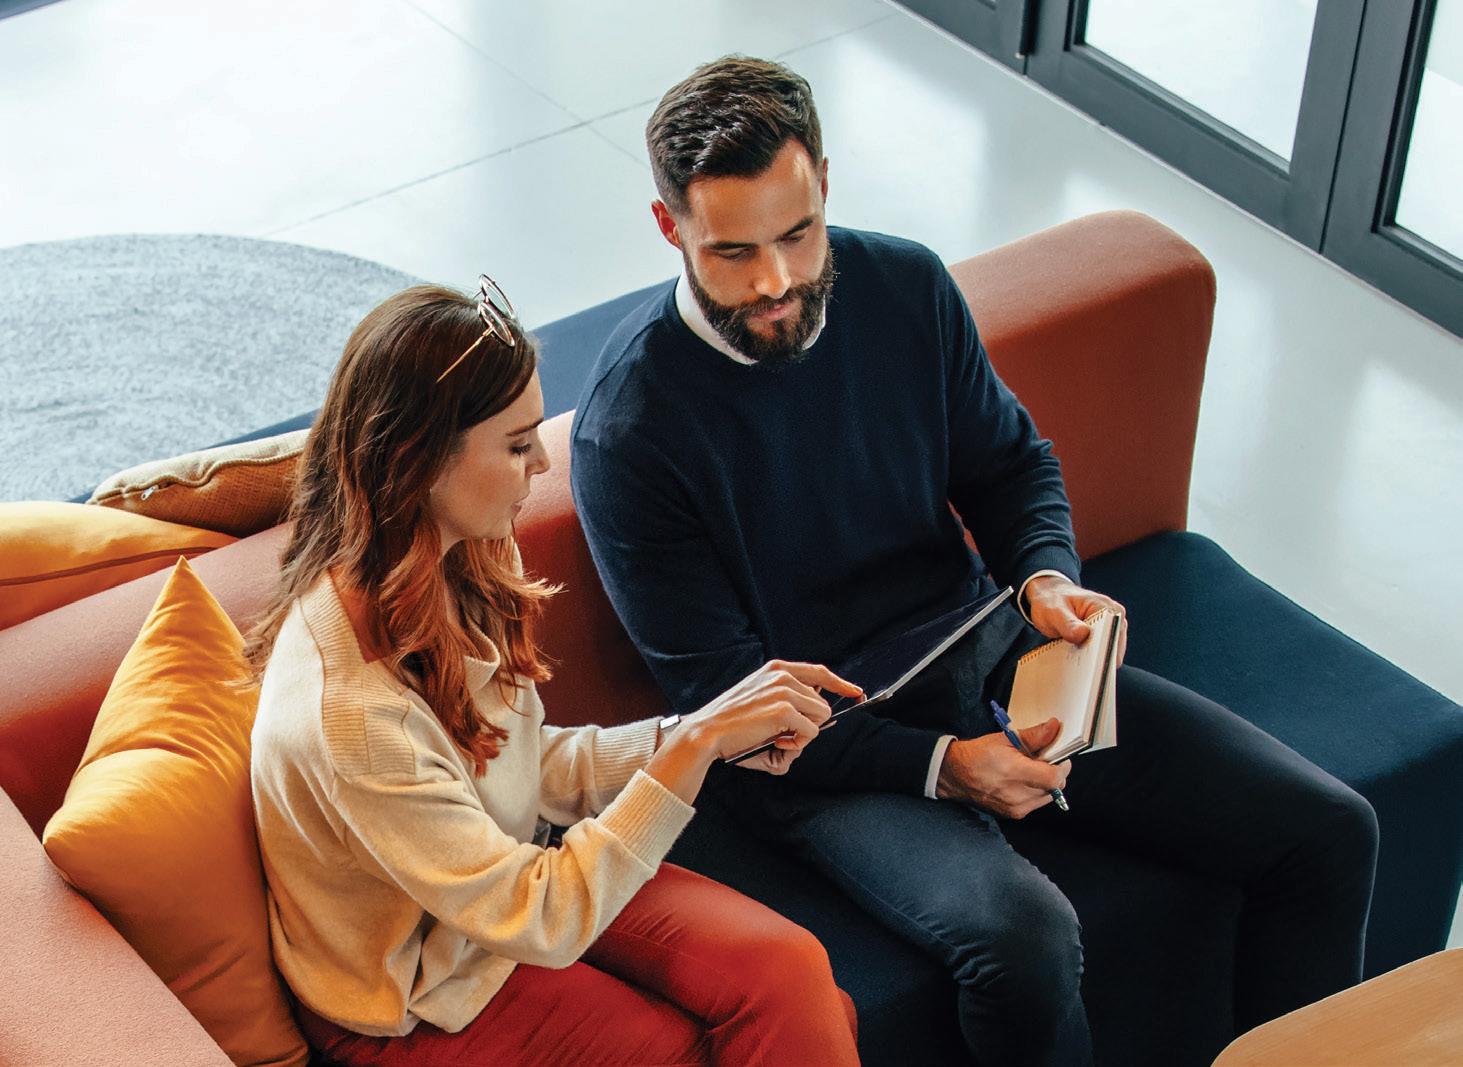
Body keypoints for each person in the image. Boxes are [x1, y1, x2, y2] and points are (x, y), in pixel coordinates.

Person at [570, 56, 1381, 1065]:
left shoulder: (904, 285)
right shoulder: (630, 431)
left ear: (825, 183)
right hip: (811, 754)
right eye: (733, 252)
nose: (775, 282)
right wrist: (945, 769)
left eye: (797, 234)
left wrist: (1044, 575)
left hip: (983, 657)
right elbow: (725, 703)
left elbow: (1009, 463)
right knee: (1021, 941)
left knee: (1326, 829)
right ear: (669, 227)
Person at [245, 278, 863, 1066]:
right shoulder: (355, 718)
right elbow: (538, 916)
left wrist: (701, 733)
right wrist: (686, 755)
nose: (542, 461)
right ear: (416, 459)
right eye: (515, 444)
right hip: (413, 987)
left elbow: (520, 764)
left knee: (796, 977)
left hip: (505, 887)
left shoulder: (462, 551)